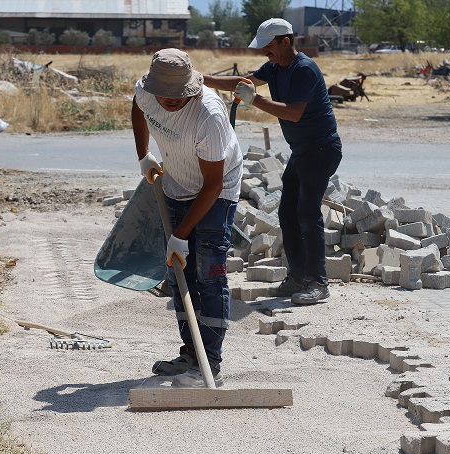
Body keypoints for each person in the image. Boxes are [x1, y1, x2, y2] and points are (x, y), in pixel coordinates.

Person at [203, 18, 342, 305]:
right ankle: (298, 277)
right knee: (287, 213)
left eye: (269, 48)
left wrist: (255, 100)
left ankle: (318, 283)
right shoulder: (275, 67)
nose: (266, 53)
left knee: (307, 212)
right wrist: (204, 80)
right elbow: (244, 82)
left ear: (286, 42)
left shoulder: (304, 69)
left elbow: (293, 113)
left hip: (322, 149)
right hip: (303, 151)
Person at [132, 48, 243, 388]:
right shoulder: (146, 92)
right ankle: (191, 355)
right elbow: (138, 110)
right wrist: (144, 155)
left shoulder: (209, 114)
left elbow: (212, 184)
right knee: (181, 273)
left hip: (217, 191)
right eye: (163, 95)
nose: (168, 101)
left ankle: (210, 364)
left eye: (176, 96)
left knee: (208, 273)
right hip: (176, 183)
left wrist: (180, 234)